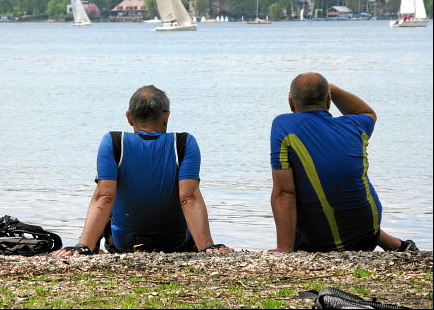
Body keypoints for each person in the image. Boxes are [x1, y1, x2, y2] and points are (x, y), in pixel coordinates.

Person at [53, 85, 233, 256]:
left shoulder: (114, 142)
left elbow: (104, 197)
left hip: (125, 244)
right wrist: (207, 247)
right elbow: (189, 198)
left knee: (110, 203)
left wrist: (82, 246)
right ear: (166, 117)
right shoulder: (184, 143)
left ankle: (88, 247)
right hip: (176, 242)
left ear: (129, 117)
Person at [269, 72, 419, 253]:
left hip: (323, 242)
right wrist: (328, 87)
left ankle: (289, 246)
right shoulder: (356, 125)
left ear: (291, 103)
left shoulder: (284, 125)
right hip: (368, 232)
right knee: (339, 188)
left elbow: (285, 193)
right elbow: (367, 112)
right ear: (329, 101)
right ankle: (399, 246)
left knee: (299, 182)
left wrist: (284, 248)